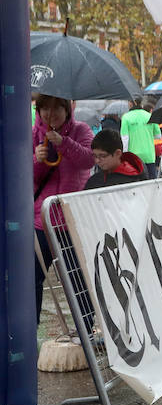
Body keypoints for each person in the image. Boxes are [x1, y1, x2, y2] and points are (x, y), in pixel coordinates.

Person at [32, 94, 94, 323]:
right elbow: (28, 179)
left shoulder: (82, 130)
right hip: (41, 221)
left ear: (67, 109)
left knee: (77, 278)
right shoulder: (33, 135)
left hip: (70, 220)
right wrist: (36, 160)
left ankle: (85, 330)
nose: (51, 113)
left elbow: (88, 160)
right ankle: (31, 329)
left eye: (57, 107)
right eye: (45, 108)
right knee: (33, 278)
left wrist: (64, 143)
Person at [119, 98, 162, 178]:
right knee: (152, 182)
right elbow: (158, 136)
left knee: (136, 183)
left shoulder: (126, 117)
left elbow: (125, 139)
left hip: (134, 157)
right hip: (149, 155)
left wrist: (124, 155)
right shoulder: (149, 116)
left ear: (131, 103)